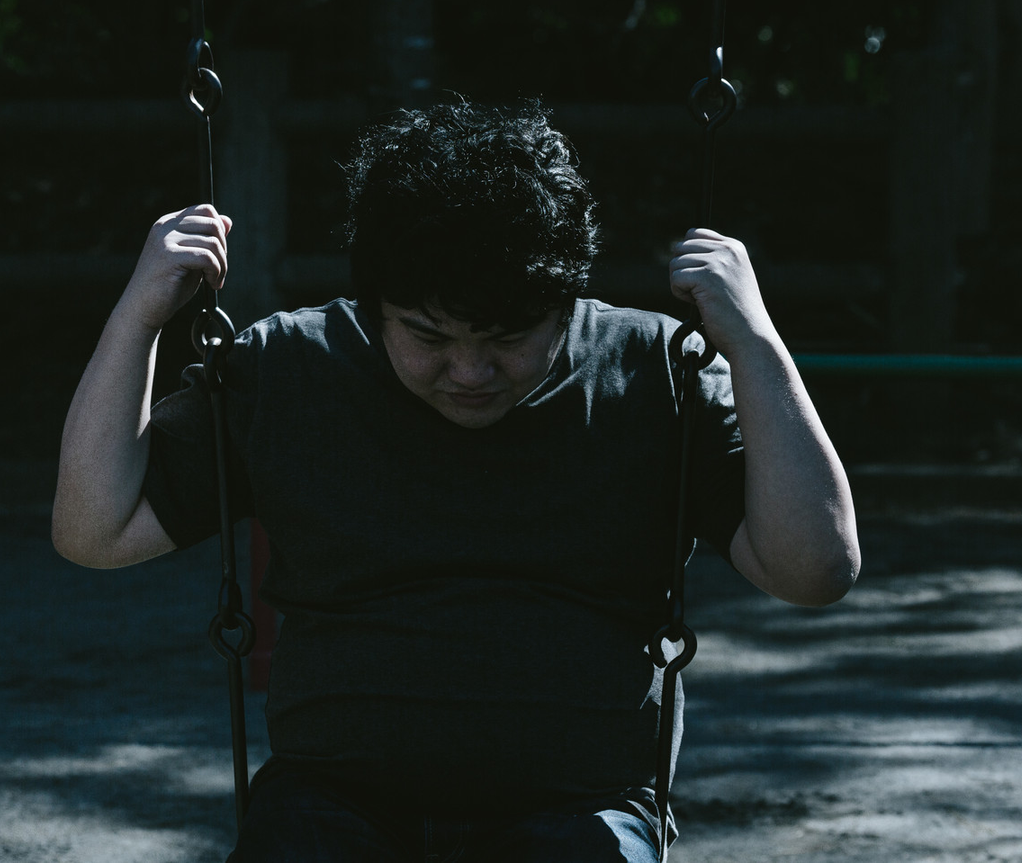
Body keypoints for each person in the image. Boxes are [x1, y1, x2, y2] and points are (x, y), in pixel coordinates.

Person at [52, 99, 859, 861]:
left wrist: (754, 340)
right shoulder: (293, 370)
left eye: (508, 337)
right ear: (374, 305)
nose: (470, 371)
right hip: (333, 804)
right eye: (429, 336)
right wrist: (139, 315)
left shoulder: (649, 375)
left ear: (566, 299)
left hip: (578, 809)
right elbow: (95, 530)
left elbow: (815, 567)